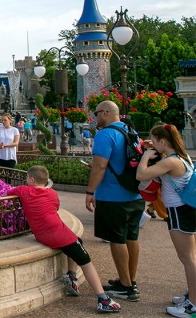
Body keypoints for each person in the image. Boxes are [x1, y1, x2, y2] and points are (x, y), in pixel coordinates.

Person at [8, 166, 121, 313]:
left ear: (31, 179)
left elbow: (8, 192)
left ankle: (71, 276)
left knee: (78, 241)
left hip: (43, 234)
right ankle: (102, 299)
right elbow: (55, 208)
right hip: (58, 234)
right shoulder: (52, 193)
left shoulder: (23, 190)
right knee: (86, 262)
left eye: (27, 178)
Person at [85, 100, 143, 302]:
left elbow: (100, 166)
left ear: (107, 112)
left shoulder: (105, 134)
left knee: (117, 239)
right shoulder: (131, 131)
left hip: (112, 196)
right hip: (134, 195)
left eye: (97, 112)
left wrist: (90, 190)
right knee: (131, 238)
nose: (95, 116)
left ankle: (126, 288)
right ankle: (129, 280)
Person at [136, 123, 195, 318]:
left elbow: (141, 174)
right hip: (186, 210)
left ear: (162, 141)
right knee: (190, 258)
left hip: (179, 212)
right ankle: (192, 296)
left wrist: (145, 156)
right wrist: (151, 146)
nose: (152, 144)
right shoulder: (182, 157)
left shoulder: (171, 162)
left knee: (188, 259)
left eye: (154, 141)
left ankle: (193, 305)